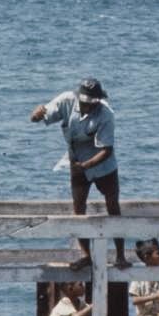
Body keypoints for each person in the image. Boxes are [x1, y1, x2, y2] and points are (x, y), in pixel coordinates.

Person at [30, 78, 130, 271]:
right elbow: (41, 115)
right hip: (77, 161)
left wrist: (86, 165)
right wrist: (36, 115)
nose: (88, 106)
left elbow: (107, 150)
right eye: (85, 102)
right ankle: (86, 255)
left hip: (104, 165)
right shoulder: (66, 100)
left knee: (112, 205)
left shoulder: (106, 114)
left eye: (93, 102)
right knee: (79, 208)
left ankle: (120, 255)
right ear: (79, 98)